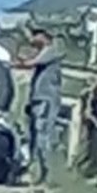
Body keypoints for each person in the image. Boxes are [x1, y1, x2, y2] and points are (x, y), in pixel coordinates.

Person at [15, 27, 63, 184]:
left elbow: (31, 63)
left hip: (46, 99)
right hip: (38, 98)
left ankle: (47, 172)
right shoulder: (43, 52)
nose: (33, 38)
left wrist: (15, 63)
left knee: (43, 135)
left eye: (37, 34)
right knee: (35, 135)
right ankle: (38, 171)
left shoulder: (52, 51)